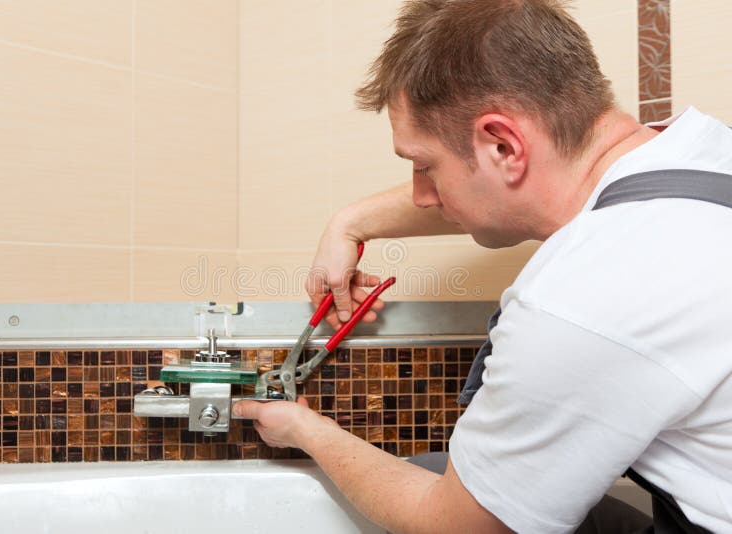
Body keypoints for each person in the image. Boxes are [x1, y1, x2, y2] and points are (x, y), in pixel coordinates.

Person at [234, 1, 732, 532]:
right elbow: (507, 196)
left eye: (424, 167)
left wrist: (307, 431)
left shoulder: (581, 300)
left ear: (503, 144)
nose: (422, 195)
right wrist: (351, 222)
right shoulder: (699, 151)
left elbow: (458, 526)